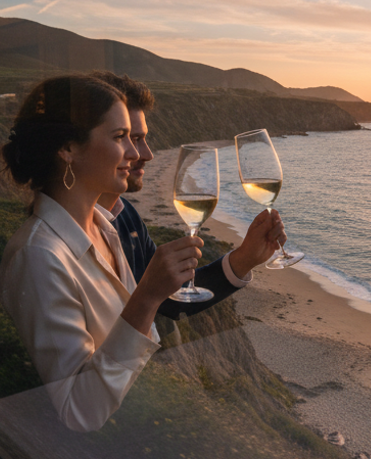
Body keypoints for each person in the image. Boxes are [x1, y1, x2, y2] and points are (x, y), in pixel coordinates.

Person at [0, 74, 203, 432]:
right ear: (69, 148)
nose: (135, 153)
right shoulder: (39, 257)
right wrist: (148, 295)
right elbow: (79, 410)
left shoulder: (104, 227)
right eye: (120, 137)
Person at [89, 71, 285, 318]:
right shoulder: (57, 245)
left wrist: (244, 258)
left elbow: (170, 300)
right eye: (125, 138)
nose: (147, 154)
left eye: (141, 139)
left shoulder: (125, 215)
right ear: (71, 147)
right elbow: (151, 300)